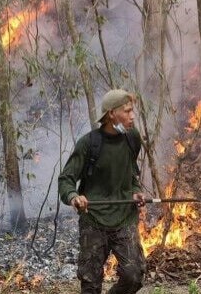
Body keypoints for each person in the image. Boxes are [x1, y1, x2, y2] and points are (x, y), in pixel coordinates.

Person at [58, 89, 147, 294]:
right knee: (90, 282)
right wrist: (74, 197)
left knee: (134, 276)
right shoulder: (89, 144)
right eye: (127, 111)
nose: (133, 116)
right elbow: (66, 180)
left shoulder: (132, 138)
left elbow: (132, 173)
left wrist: (135, 191)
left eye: (133, 110)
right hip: (94, 220)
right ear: (111, 114)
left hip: (124, 219)